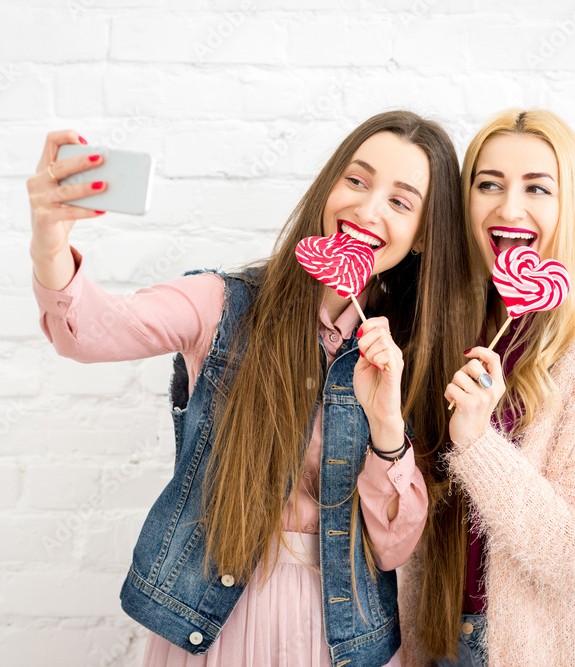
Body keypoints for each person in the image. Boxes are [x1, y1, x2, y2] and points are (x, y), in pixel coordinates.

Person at [25, 111, 485, 667]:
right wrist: (49, 242)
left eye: (400, 201)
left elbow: (392, 548)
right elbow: (93, 331)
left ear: (420, 238)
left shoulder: (407, 355)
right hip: (215, 620)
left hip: (341, 635)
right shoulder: (223, 304)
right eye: (357, 181)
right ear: (329, 186)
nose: (366, 209)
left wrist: (387, 423)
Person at [397, 109, 575, 666]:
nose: (508, 208)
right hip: (443, 639)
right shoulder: (445, 326)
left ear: (571, 206)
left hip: (542, 650)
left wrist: (477, 443)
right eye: (488, 184)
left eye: (536, 188)